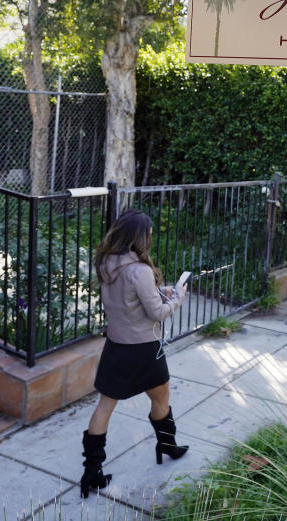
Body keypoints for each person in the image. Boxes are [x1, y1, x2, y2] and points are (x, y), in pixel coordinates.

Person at [81, 210, 189, 498]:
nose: (151, 237)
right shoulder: (139, 270)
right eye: (149, 233)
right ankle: (167, 445)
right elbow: (157, 312)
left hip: (116, 346)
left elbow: (130, 298)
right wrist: (177, 296)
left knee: (105, 406)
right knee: (162, 397)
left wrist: (159, 291)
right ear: (140, 236)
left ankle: (91, 472)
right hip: (144, 350)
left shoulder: (106, 263)